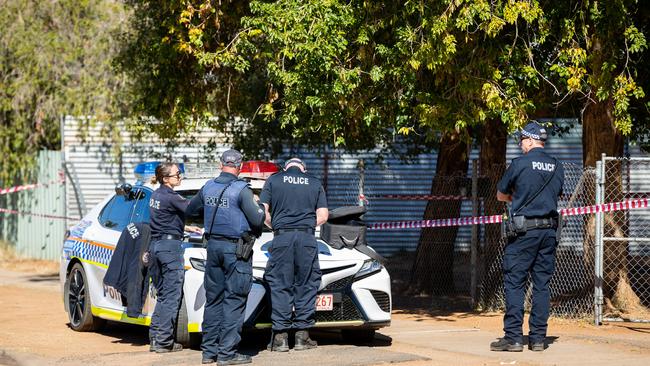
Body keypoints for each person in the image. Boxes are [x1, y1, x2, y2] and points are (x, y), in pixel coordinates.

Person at [490, 121, 565, 352]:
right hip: (549, 232)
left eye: (522, 140)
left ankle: (513, 338)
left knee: (515, 283)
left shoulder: (520, 164)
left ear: (530, 139)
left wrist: (515, 198)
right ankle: (538, 339)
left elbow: (501, 195)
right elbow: (556, 194)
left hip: (523, 233)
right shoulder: (556, 165)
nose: (520, 145)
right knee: (542, 284)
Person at [185, 149, 265, 365]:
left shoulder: (208, 187)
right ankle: (227, 354)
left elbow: (190, 209)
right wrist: (260, 207)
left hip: (213, 249)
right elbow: (258, 220)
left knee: (214, 300)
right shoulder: (241, 189)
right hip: (236, 252)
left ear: (221, 164)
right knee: (234, 300)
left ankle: (209, 352)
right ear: (239, 166)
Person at [261, 157, 329, 352]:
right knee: (306, 284)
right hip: (307, 239)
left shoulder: (274, 180)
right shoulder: (314, 182)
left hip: (282, 238)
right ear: (303, 169)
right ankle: (302, 336)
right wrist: (306, 224)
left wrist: (277, 226)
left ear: (286, 168)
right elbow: (324, 215)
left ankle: (280, 338)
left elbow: (262, 211)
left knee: (281, 284)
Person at [148, 162, 201, 353]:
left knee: (163, 295)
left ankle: (155, 338)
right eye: (177, 174)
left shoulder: (156, 194)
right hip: (170, 249)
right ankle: (164, 341)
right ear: (165, 178)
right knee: (171, 296)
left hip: (156, 245)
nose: (180, 176)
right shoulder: (171, 196)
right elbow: (193, 208)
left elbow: (164, 219)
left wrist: (185, 227)